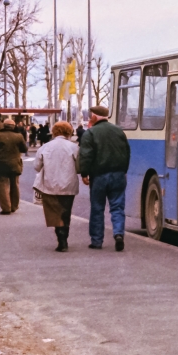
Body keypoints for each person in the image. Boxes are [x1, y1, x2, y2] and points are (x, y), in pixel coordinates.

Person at [79, 106, 130, 251]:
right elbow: (127, 153)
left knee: (97, 208)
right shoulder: (119, 131)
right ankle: (118, 234)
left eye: (91, 116)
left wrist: (84, 173)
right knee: (117, 206)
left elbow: (86, 155)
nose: (89, 118)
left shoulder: (90, 133)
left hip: (99, 176)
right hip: (119, 174)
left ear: (95, 116)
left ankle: (97, 241)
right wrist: (123, 171)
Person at [34, 121, 81, 252]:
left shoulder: (45, 147)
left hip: (50, 184)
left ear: (54, 132)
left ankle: (61, 239)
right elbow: (79, 167)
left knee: (54, 213)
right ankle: (65, 236)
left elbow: (37, 166)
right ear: (69, 132)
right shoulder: (74, 147)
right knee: (66, 212)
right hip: (69, 184)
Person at [0, 118, 28, 214]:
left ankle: (6, 208)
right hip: (15, 164)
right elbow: (24, 149)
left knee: (2, 184)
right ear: (14, 126)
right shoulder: (19, 136)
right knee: (14, 184)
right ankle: (14, 206)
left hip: (1, 164)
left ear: (4, 126)